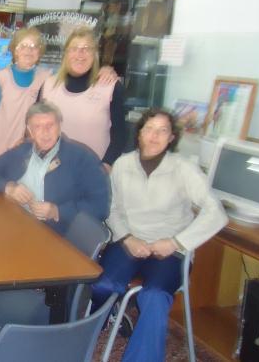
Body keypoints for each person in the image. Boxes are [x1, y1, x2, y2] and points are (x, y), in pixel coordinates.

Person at [90, 108, 228, 362]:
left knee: (153, 296)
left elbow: (217, 213)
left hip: (169, 251)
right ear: (139, 133)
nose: (154, 136)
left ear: (171, 138)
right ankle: (107, 316)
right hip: (129, 243)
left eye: (162, 131)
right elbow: (111, 209)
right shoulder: (123, 164)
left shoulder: (184, 169)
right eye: (149, 129)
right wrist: (127, 238)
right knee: (102, 286)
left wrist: (176, 242)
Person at [0, 101, 110, 235]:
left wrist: (58, 211)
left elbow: (100, 206)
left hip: (55, 235)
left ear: (59, 126)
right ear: (30, 131)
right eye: (37, 126)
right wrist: (8, 188)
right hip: (14, 223)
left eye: (50, 125)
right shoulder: (22, 151)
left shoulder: (82, 157)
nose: (45, 132)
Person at [42, 27, 125, 170]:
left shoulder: (110, 87)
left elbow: (120, 134)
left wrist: (106, 165)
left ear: (95, 54)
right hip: (52, 171)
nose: (80, 54)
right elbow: (36, 128)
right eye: (74, 48)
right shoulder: (48, 85)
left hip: (93, 172)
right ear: (66, 53)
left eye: (86, 48)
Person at [0, 28, 51, 163]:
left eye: (33, 46)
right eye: (23, 46)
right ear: (15, 50)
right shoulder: (0, 77)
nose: (28, 51)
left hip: (30, 148)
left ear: (39, 52)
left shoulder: (46, 77)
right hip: (0, 147)